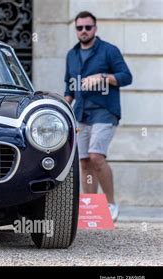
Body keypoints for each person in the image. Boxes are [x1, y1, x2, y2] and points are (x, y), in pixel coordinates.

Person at [64, 11, 132, 222]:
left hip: (104, 111)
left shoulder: (109, 51)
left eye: (87, 27)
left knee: (96, 156)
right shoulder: (71, 54)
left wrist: (103, 77)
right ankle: (90, 207)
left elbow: (126, 77)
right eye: (79, 28)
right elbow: (69, 86)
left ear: (95, 28)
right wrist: (62, 105)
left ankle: (111, 204)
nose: (83, 31)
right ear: (76, 29)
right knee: (84, 161)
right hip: (80, 112)